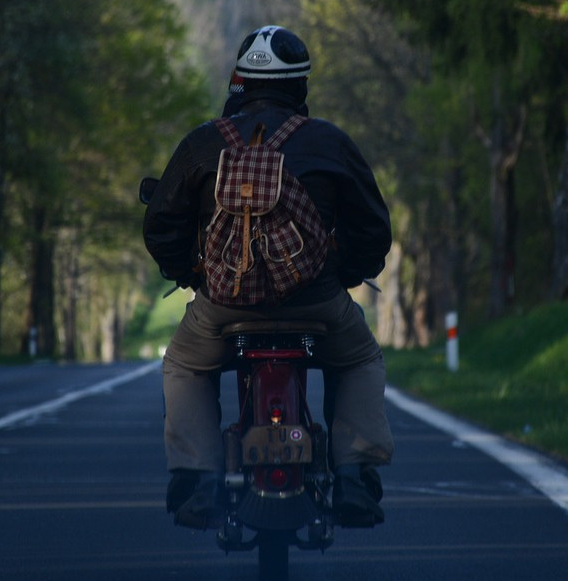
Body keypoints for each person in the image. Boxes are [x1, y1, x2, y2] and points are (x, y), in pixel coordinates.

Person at [143, 25, 393, 530]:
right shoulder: (329, 141)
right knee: (361, 358)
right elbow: (373, 229)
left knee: (184, 366)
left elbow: (162, 226)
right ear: (300, 84)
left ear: (242, 80)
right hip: (317, 304)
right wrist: (344, 273)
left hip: (223, 308)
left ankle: (196, 478)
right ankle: (353, 475)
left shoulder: (202, 143)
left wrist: (189, 274)